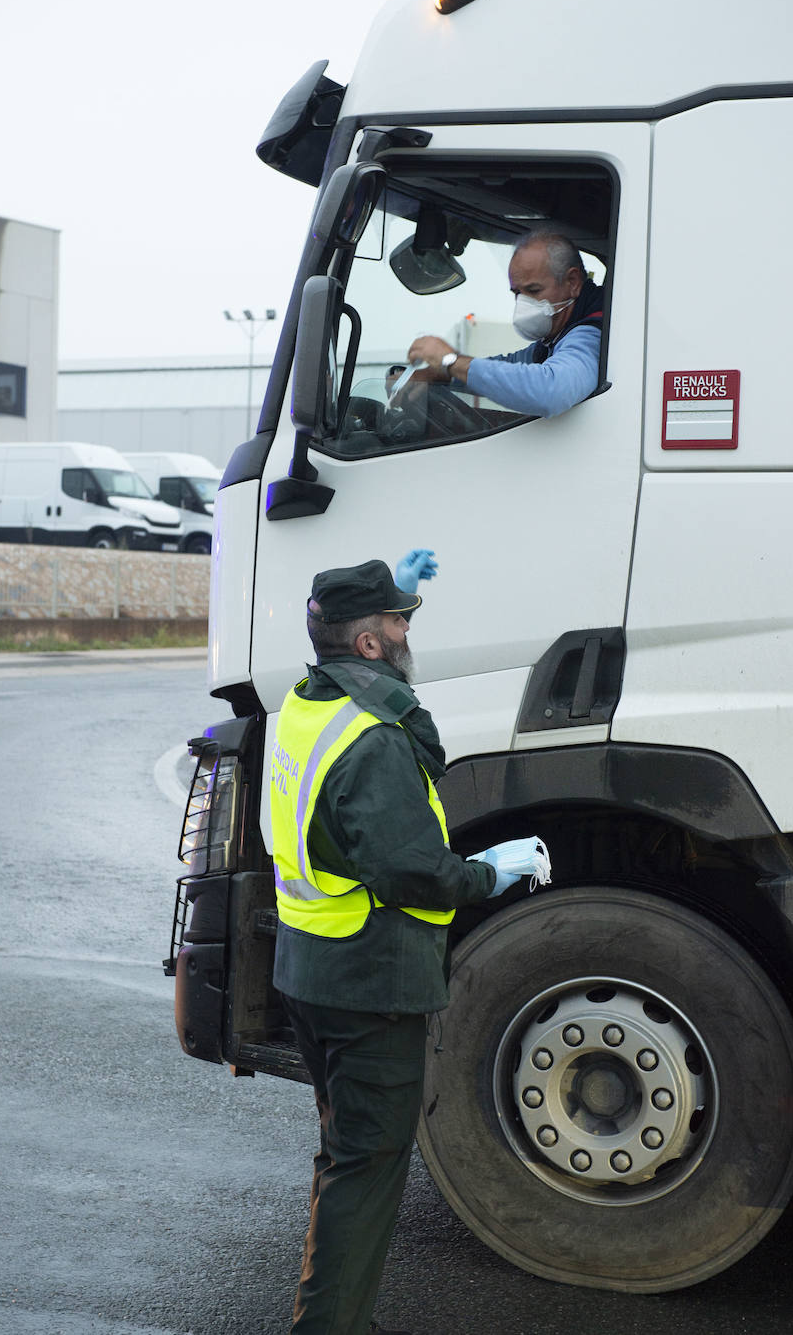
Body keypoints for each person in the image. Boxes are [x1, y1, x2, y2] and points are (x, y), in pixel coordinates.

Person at [270, 551, 549, 1335]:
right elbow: (409, 871)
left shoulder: (306, 704)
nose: (404, 629)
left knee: (344, 1156)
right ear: (367, 644)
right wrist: (486, 875)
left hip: (312, 969)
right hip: (369, 984)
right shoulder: (376, 737)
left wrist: (397, 579)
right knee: (365, 1169)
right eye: (396, 620)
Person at [405, 230, 604, 419]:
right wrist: (442, 374)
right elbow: (511, 366)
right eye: (517, 293)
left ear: (573, 282)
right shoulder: (553, 340)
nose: (523, 304)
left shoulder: (591, 335)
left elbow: (551, 391)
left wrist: (451, 361)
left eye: (533, 290)